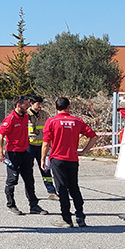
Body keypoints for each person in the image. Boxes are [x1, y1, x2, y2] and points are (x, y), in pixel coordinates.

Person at [41, 97, 98, 228]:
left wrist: (43, 159)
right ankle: (80, 215)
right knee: (74, 187)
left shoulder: (51, 121)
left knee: (62, 189)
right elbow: (94, 136)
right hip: (72, 159)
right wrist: (84, 151)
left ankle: (66, 218)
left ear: (56, 108)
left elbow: (46, 143)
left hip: (58, 159)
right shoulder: (77, 121)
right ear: (68, 107)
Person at [0, 95, 46, 216]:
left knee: (29, 179)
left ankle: (34, 205)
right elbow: (0, 136)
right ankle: (11, 204)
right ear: (18, 105)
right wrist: (1, 152)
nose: (28, 105)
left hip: (25, 152)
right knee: (12, 180)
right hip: (13, 153)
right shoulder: (10, 119)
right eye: (25, 104)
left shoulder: (25, 117)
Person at [27, 95, 57, 198]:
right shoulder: (26, 115)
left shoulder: (44, 114)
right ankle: (31, 194)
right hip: (29, 146)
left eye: (41, 103)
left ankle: (51, 192)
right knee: (28, 170)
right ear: (31, 104)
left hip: (42, 146)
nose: (40, 106)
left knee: (45, 169)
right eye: (38, 103)